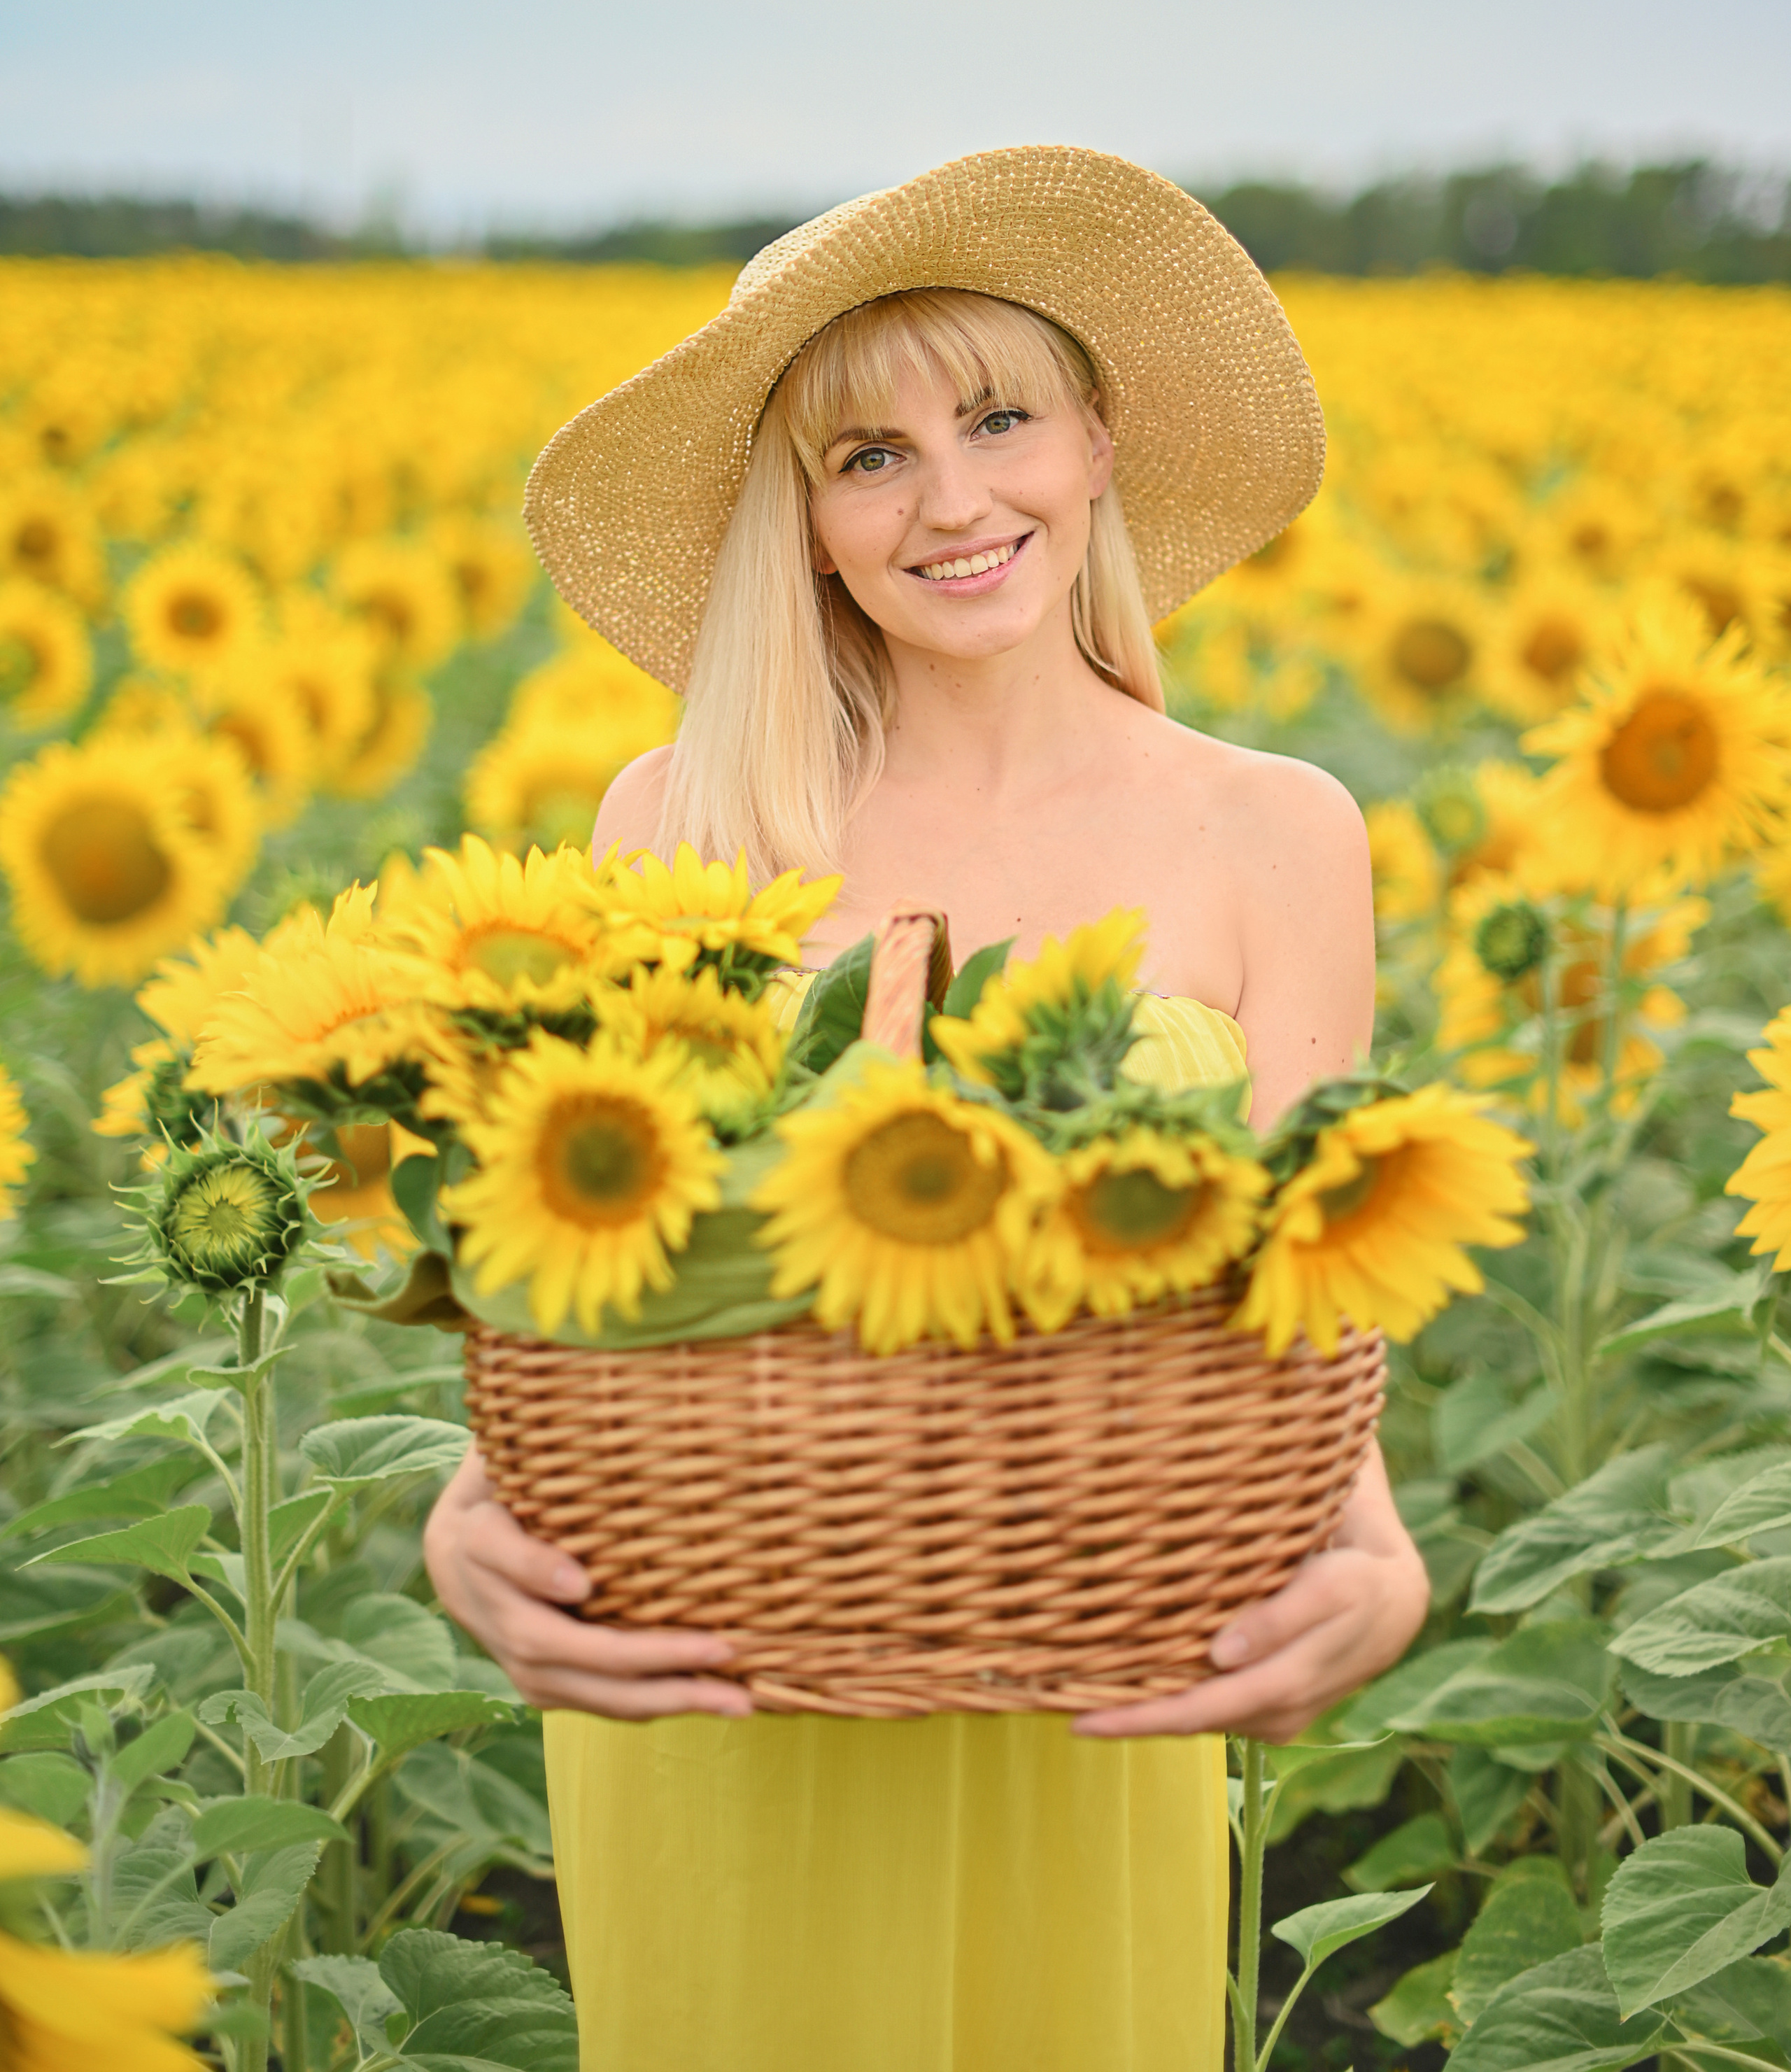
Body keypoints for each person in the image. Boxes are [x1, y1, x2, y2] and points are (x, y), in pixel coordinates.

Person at [426, 146, 1430, 2072]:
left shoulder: (1273, 832)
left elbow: (1315, 1289)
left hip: (1088, 1665)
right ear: (805, 524)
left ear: (1100, 440)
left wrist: (1369, 1550)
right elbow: (585, 1259)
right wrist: (475, 1508)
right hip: (719, 1677)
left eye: (998, 419)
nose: (953, 501)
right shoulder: (680, 817)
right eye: (868, 456)